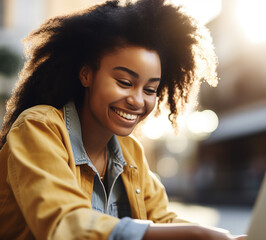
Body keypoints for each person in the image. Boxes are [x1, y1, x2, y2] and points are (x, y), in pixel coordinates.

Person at [0, 0, 246, 239]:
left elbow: (162, 219)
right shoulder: (37, 127)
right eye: (125, 83)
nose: (138, 101)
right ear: (86, 74)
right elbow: (65, 223)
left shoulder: (130, 152)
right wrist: (194, 234)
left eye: (150, 90)